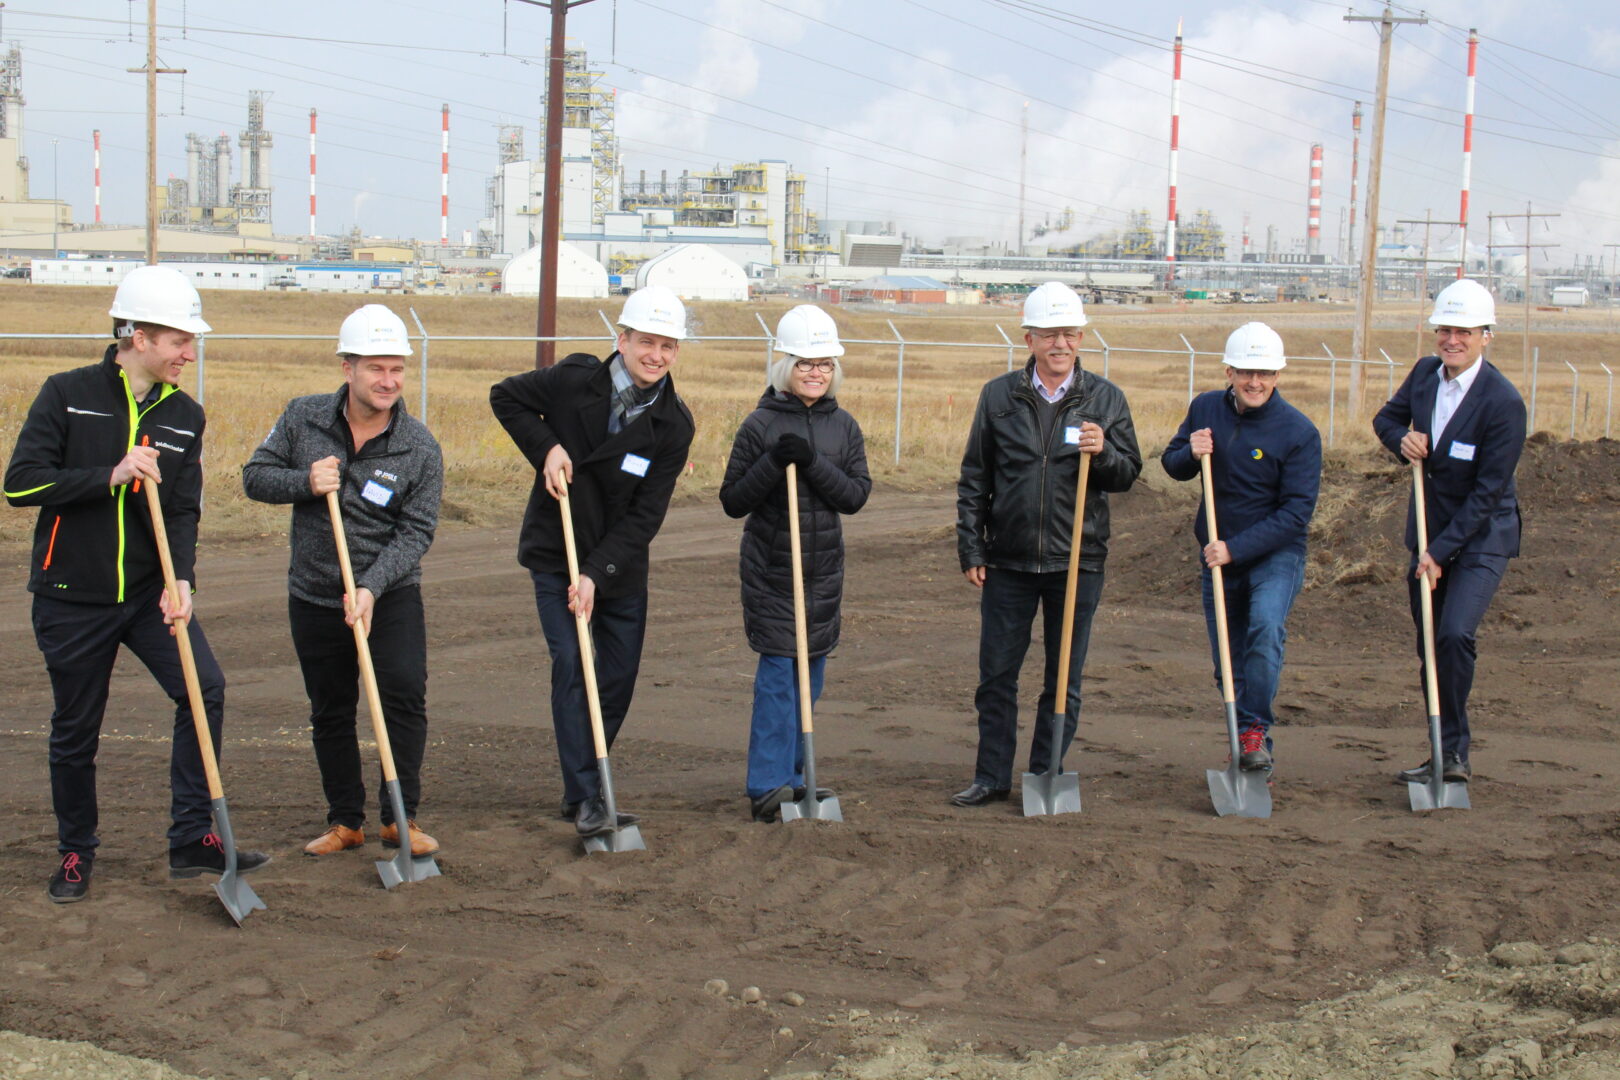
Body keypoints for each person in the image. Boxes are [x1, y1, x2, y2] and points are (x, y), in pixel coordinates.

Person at [4, 266, 269, 904]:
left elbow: (181, 509)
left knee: (204, 689)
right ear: (139, 335)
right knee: (77, 727)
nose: (189, 353)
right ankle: (75, 851)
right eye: (180, 340)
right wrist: (110, 474)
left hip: (150, 597)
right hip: (72, 597)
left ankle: (190, 838)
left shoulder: (185, 415)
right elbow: (21, 484)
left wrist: (182, 579)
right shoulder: (66, 394)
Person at [490, 285, 696, 838]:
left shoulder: (674, 424)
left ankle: (584, 775)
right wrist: (546, 448)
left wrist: (596, 573)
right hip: (557, 554)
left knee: (618, 676)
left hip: (617, 567)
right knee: (572, 665)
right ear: (622, 339)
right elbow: (505, 397)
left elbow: (645, 517)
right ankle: (586, 794)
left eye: (668, 346)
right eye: (646, 341)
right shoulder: (574, 379)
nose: (656, 355)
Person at [243, 304, 444, 857]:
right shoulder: (302, 418)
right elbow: (254, 478)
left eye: (397, 369)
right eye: (376, 368)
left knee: (403, 695)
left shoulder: (419, 446)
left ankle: (399, 819)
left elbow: (417, 531)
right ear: (347, 367)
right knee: (330, 706)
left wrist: (371, 587)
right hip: (312, 591)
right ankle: (345, 821)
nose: (388, 381)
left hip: (390, 592)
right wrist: (305, 480)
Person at [952, 281, 1142, 807]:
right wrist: (973, 548)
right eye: (1049, 334)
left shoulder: (1106, 399)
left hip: (1077, 560)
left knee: (1064, 677)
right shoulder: (998, 396)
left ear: (1081, 337)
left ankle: (1046, 772)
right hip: (1009, 560)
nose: (1060, 343)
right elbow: (975, 477)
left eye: (1070, 333)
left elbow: (1128, 475)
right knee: (996, 676)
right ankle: (991, 777)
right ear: (1029, 338)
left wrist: (1103, 452)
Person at [719, 305, 871, 821]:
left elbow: (854, 496)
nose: (815, 372)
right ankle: (767, 785)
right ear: (785, 365)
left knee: (812, 678)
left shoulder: (844, 427)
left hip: (823, 572)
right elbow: (734, 499)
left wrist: (811, 463)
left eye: (824, 364)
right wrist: (772, 462)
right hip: (772, 572)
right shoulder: (760, 424)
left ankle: (799, 778)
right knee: (779, 680)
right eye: (805, 363)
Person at [1373, 278, 1525, 785]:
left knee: (1456, 633)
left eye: (1463, 331)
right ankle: (1441, 750)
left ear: (1486, 336)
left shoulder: (1503, 403)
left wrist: (1437, 552)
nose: (1451, 340)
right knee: (1431, 645)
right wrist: (1403, 440)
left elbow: (1487, 494)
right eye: (1444, 329)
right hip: (1429, 533)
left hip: (1481, 538)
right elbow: (1386, 419)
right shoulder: (1424, 376)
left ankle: (1456, 752)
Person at [1161, 322, 1321, 771]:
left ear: (1278, 375)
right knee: (1227, 660)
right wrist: (1189, 452)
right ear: (1229, 371)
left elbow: (1295, 515)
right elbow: (1172, 466)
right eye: (1247, 371)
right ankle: (1243, 739)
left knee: (1265, 632)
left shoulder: (1299, 432)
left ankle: (1255, 735)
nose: (1255, 382)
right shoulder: (1205, 407)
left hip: (1275, 555)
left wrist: (1234, 548)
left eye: (1265, 373)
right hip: (1218, 556)